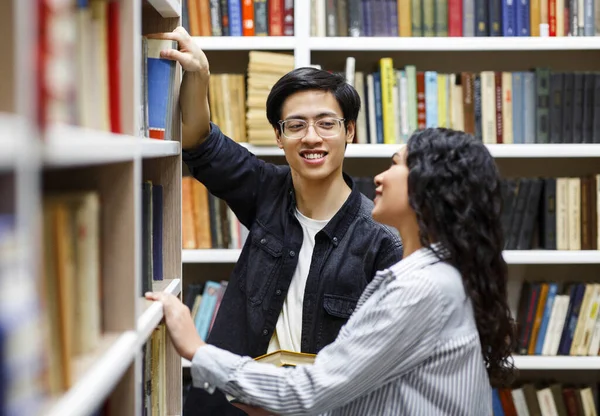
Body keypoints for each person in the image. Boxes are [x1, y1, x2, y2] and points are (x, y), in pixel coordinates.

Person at [147, 127, 517, 415]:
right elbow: (371, 393)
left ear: (432, 184)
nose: (380, 177)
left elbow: (312, 390)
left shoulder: (421, 287)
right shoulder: (440, 274)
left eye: (396, 164)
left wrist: (196, 349)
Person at [152, 27, 404, 414]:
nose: (311, 137)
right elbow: (199, 143)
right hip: (231, 402)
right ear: (279, 136)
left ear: (349, 130)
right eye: (296, 125)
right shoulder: (266, 192)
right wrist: (200, 75)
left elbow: (375, 365)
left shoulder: (383, 242)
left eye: (326, 123)